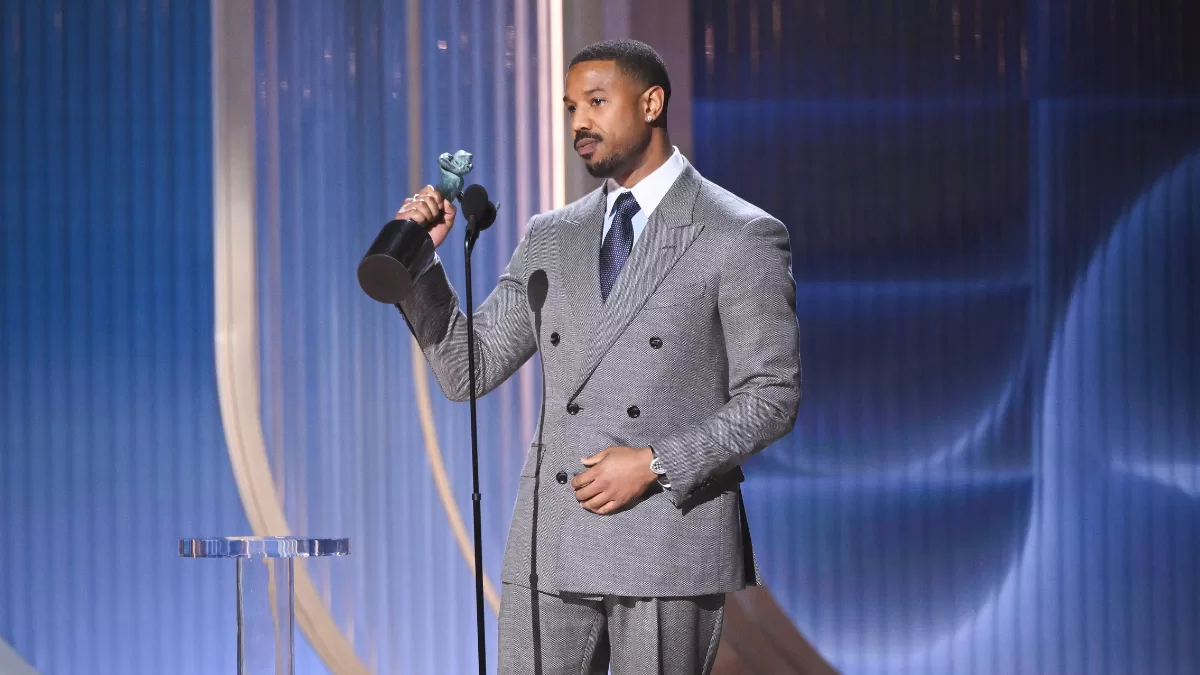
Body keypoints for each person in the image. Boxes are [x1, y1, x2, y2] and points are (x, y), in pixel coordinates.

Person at [394, 38, 800, 675]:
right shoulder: (551, 236)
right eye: (570, 107)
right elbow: (468, 368)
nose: (579, 122)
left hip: (667, 536)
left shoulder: (738, 232)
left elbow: (772, 396)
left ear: (651, 103)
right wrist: (418, 261)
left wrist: (655, 462)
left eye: (596, 102)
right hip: (550, 541)